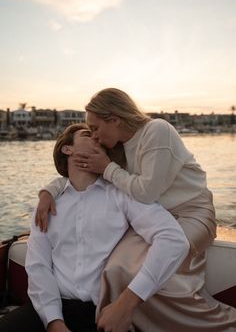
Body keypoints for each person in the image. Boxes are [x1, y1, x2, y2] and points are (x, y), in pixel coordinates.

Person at [36, 89, 236, 331]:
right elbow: (81, 177)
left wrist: (108, 167)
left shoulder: (157, 131)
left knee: (164, 265)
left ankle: (221, 323)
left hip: (192, 213)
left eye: (95, 128)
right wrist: (48, 191)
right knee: (115, 268)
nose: (96, 137)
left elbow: (147, 191)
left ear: (114, 119)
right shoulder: (120, 149)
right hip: (156, 214)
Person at [0, 123, 191, 332]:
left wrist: (126, 303)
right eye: (87, 134)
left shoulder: (122, 194)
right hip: (49, 309)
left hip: (104, 313)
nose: (97, 138)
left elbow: (173, 239)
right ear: (67, 149)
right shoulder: (48, 204)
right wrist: (54, 322)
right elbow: (38, 266)